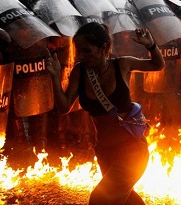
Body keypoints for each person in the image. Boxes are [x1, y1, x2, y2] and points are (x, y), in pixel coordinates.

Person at [46, 23, 164, 204]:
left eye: (87, 51)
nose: (81, 56)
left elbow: (157, 65)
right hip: (104, 151)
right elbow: (64, 107)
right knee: (125, 199)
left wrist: (151, 45)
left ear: (104, 48)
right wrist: (54, 77)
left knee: (100, 199)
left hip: (132, 150)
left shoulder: (122, 64)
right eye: (79, 51)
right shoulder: (80, 71)